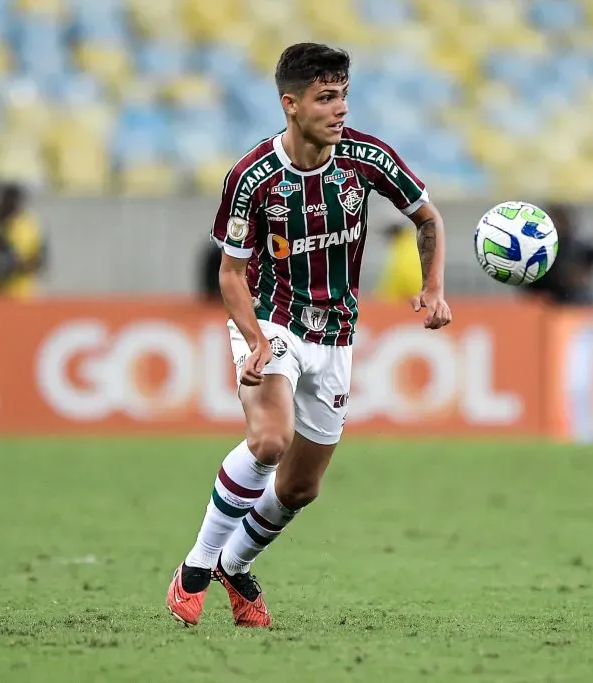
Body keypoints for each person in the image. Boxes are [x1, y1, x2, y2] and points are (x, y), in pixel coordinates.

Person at [166, 42, 453, 629]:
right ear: (290, 104)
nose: (339, 108)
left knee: (299, 489)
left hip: (336, 336)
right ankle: (194, 570)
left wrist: (434, 287)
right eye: (326, 97)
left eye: (344, 95)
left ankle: (234, 566)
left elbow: (427, 217)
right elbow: (229, 272)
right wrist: (256, 339)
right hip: (272, 321)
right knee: (270, 440)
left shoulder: (366, 158)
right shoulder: (252, 177)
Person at [373, 203, 423, 302]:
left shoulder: (404, 249)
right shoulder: (409, 244)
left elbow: (401, 277)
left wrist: (382, 298)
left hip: (407, 299)